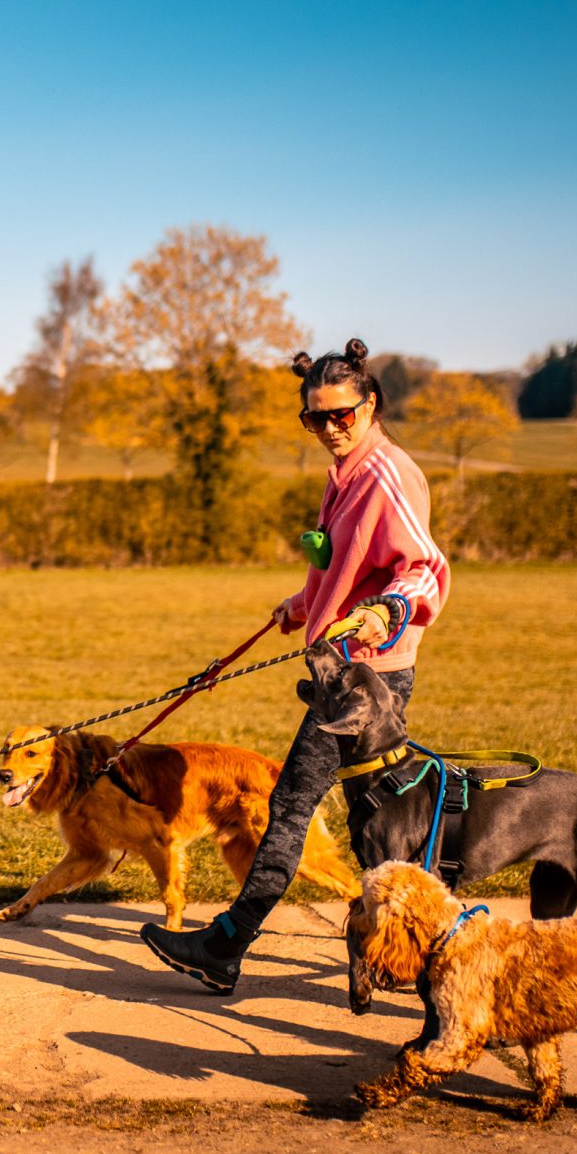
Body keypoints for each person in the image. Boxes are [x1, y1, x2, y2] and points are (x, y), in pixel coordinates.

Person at [139, 338, 450, 996]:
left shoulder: (388, 474)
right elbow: (342, 562)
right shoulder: (344, 475)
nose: (330, 429)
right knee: (364, 819)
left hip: (369, 679)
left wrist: (390, 610)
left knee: (294, 807)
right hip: (341, 670)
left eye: (341, 415)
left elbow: (423, 568)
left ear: (371, 405)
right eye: (315, 418)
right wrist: (305, 602)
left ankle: (230, 946)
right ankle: (408, 944)